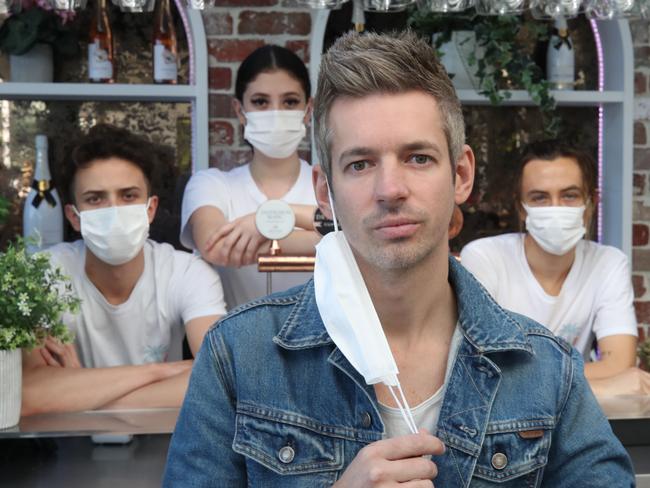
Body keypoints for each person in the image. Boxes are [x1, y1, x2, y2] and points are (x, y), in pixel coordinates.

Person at [163, 32, 633, 486]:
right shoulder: (237, 358)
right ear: (324, 192)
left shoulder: (546, 369)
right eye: (360, 164)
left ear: (462, 174)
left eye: (418, 158)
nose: (390, 190)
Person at [21, 126, 227, 416]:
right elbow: (28, 394)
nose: (113, 209)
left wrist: (81, 392)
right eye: (95, 199)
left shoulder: (187, 272)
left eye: (128, 196)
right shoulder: (45, 274)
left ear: (150, 209)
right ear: (73, 217)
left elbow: (222, 380)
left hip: (166, 451)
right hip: (70, 452)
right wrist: (159, 371)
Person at [460, 140, 650, 396]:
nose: (556, 208)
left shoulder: (608, 263)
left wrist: (526, 382)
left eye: (569, 195)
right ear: (521, 208)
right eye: (540, 198)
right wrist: (602, 390)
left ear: (591, 202)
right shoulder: (485, 258)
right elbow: (483, 371)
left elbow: (619, 363)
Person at [180, 45, 321, 309]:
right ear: (239, 110)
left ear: (308, 109)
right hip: (236, 345)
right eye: (260, 102)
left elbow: (357, 240)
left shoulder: (329, 185)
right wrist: (320, 237)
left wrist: (264, 221)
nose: (275, 112)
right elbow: (217, 246)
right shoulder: (210, 184)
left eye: (290, 101)